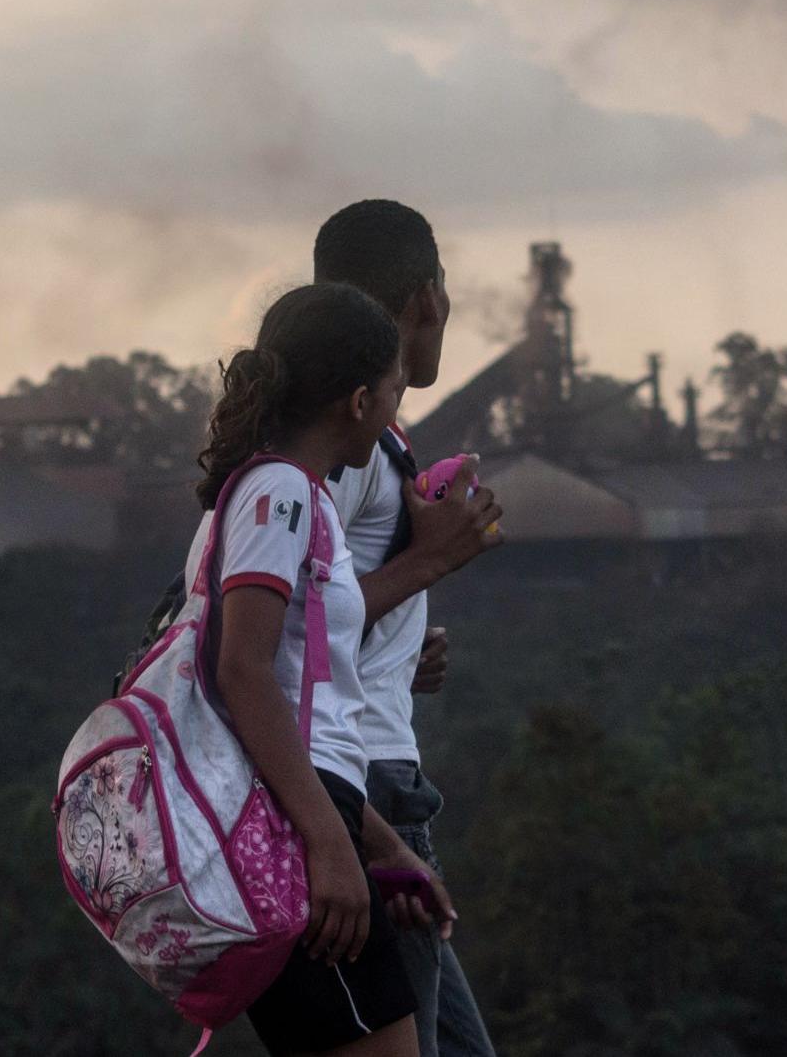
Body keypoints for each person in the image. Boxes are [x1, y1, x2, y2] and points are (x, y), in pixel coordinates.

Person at [186, 282, 417, 1056]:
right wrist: (329, 844)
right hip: (298, 834)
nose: (394, 412)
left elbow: (301, 698)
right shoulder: (281, 492)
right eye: (392, 392)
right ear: (358, 400)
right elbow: (244, 674)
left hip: (314, 817)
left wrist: (380, 844)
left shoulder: (282, 495)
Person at [312, 199, 503, 1057]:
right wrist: (431, 561)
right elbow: (283, 636)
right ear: (428, 300)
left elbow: (329, 617)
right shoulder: (345, 447)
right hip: (369, 788)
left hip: (373, 770)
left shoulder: (362, 437)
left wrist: (393, 655)